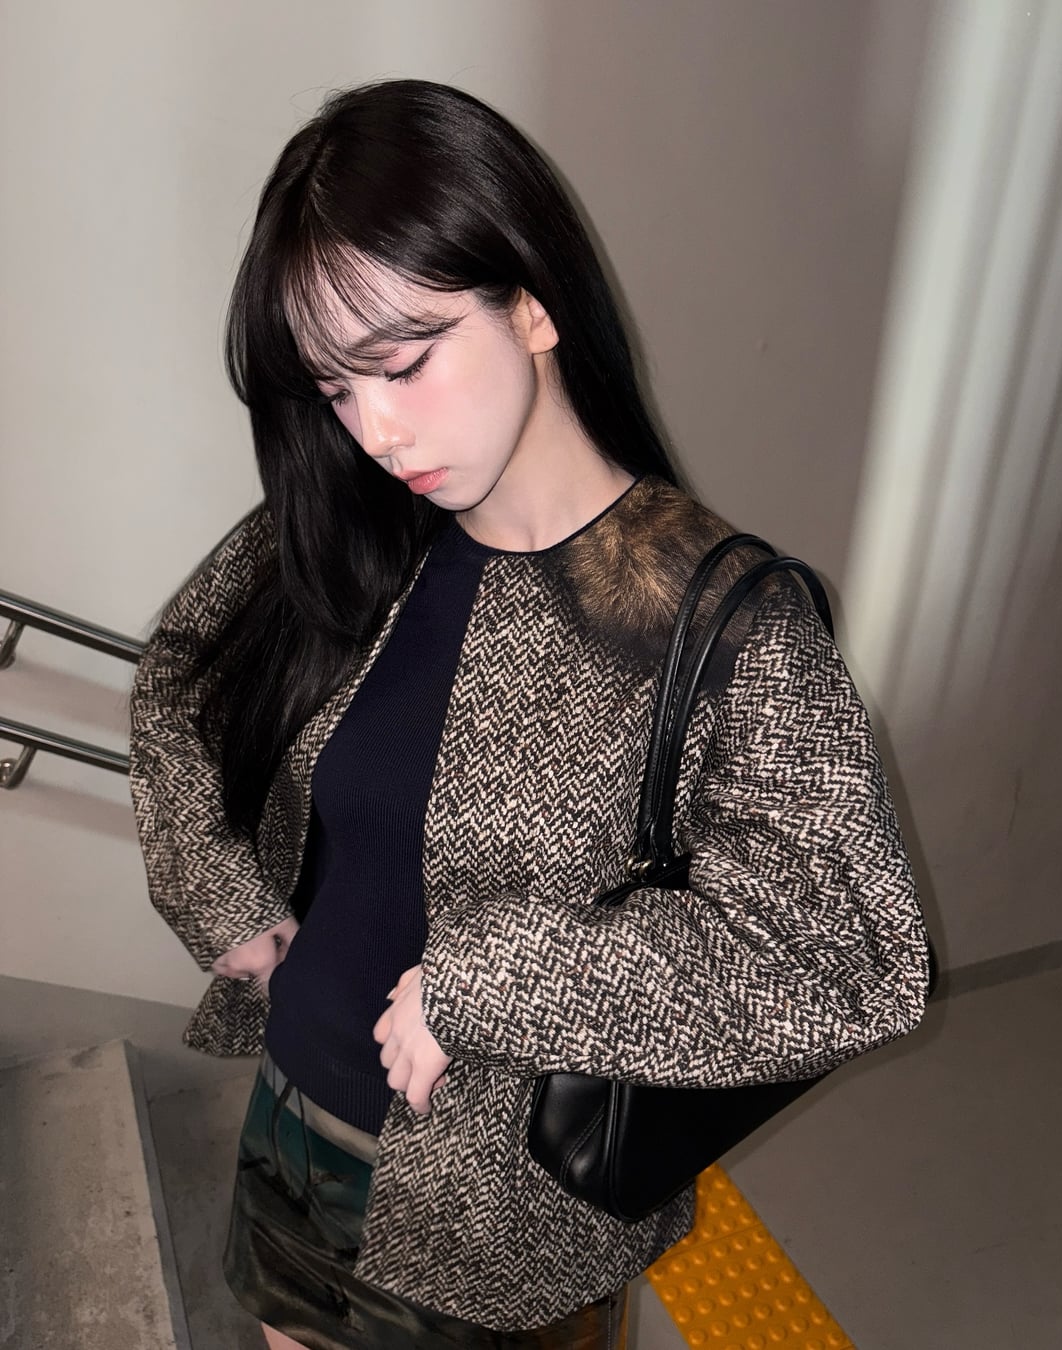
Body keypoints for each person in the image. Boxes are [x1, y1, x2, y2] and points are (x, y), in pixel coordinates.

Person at [128, 79, 930, 1350]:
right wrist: (214, 884)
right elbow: (179, 674)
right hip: (295, 1120)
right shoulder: (354, 526)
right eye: (337, 389)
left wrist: (495, 981)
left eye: (404, 362)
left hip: (507, 1227)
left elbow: (850, 960)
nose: (376, 430)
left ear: (533, 304)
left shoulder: (719, 617)